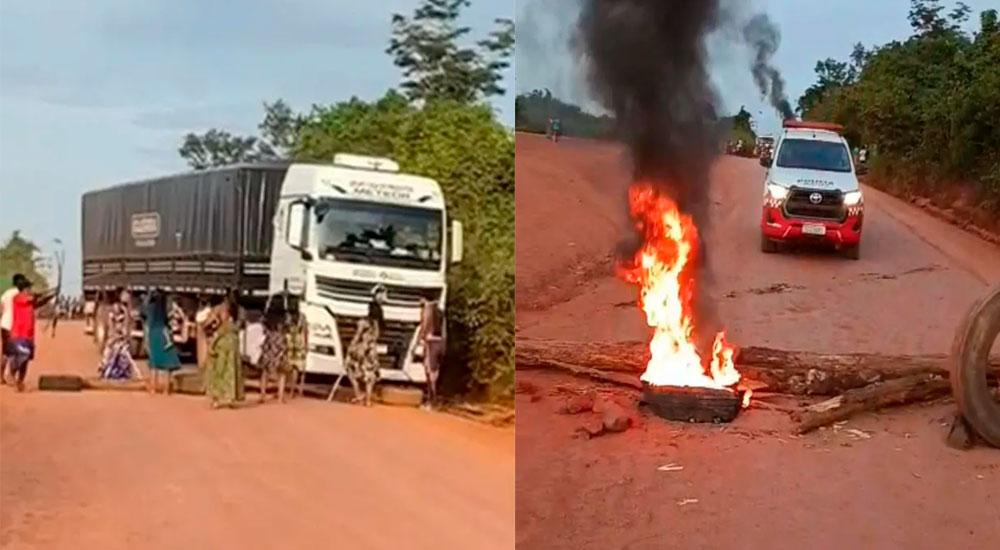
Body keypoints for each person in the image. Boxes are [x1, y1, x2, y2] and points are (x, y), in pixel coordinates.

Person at [5, 276, 57, 392]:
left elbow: (39, 302)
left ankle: (20, 382)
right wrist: (42, 293)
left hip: (29, 335)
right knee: (22, 356)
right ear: (23, 289)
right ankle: (12, 373)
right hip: (18, 334)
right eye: (28, 288)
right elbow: (33, 299)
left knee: (26, 360)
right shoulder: (17, 298)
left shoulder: (29, 301)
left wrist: (51, 295)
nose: (30, 290)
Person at [344, 285, 386, 406]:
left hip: (361, 348)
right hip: (371, 349)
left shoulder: (363, 322)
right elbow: (376, 336)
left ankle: (358, 394)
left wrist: (351, 347)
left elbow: (357, 336)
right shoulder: (378, 326)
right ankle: (368, 400)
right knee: (370, 375)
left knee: (350, 368)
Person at [204, 296, 244, 408]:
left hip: (223, 348)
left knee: (219, 372)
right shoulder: (235, 322)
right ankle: (230, 397)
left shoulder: (227, 322)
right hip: (231, 348)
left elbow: (219, 333)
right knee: (230, 372)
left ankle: (217, 398)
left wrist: (211, 345)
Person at [143, 290, 182, 394]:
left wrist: (146, 338)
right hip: (163, 332)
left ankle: (153, 389)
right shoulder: (163, 304)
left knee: (154, 361)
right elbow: (167, 318)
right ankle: (166, 390)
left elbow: (146, 321)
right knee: (168, 361)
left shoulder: (149, 306)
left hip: (153, 332)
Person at [98, 288, 136, 380]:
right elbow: (111, 324)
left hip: (120, 336)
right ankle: (105, 369)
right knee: (109, 352)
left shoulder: (124, 310)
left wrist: (124, 334)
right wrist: (115, 335)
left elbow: (127, 322)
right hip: (114, 336)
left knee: (122, 354)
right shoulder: (114, 309)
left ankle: (121, 371)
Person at [257, 302, 290, 403]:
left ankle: (262, 395)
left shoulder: (268, 317)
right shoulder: (285, 317)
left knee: (265, 371)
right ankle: (280, 396)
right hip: (280, 344)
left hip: (269, 343)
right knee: (282, 372)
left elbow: (262, 324)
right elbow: (288, 327)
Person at [418, 298, 444, 408]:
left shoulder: (427, 310)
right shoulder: (441, 312)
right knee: (435, 372)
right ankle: (432, 400)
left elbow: (424, 326)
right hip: (440, 343)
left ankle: (432, 401)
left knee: (430, 373)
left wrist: (420, 339)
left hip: (431, 343)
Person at [0, 275, 23, 385]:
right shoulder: (20, 294)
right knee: (16, 352)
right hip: (14, 326)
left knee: (5, 352)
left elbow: (1, 308)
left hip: (4, 325)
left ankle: (1, 376)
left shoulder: (6, 293)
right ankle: (11, 376)